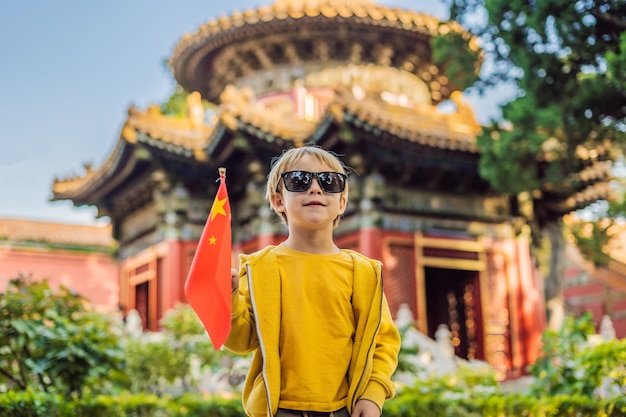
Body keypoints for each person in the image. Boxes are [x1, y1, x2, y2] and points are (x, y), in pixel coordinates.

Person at [225, 145, 401, 417]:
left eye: (329, 182)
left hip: (344, 409)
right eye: (299, 180)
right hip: (277, 409)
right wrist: (229, 301)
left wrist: (373, 393)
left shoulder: (363, 273)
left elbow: (383, 342)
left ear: (342, 203)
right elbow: (241, 341)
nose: (315, 188)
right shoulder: (261, 268)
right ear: (278, 200)